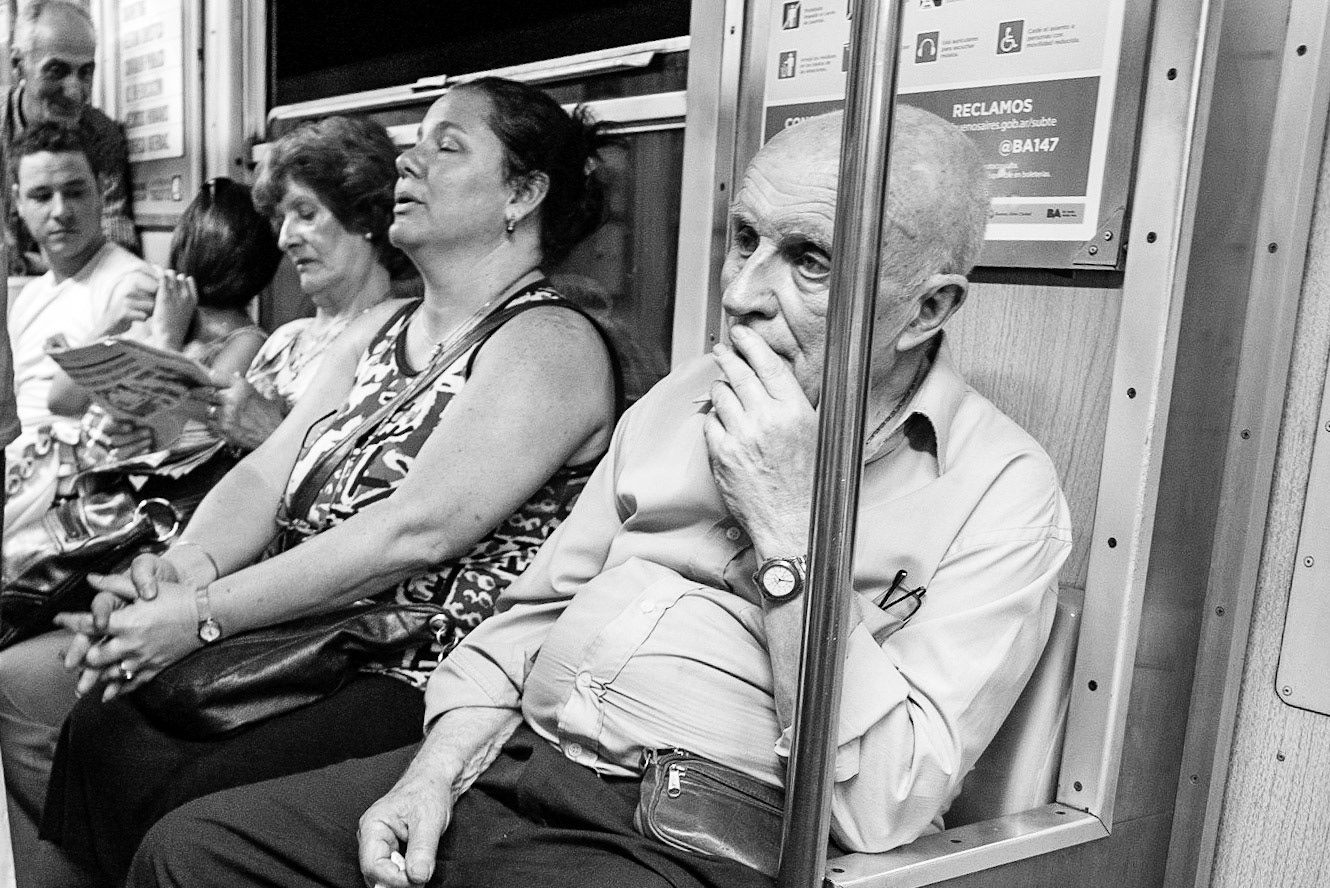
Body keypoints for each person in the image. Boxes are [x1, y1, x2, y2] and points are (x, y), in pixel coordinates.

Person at [122, 106, 1073, 888]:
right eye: (743, 239)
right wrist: (433, 776)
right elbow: (524, 618)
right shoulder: (677, 401)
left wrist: (790, 530)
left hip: (686, 828)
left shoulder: (1000, 492)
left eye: (808, 260)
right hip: (519, 765)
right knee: (194, 850)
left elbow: (885, 804)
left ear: (928, 308)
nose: (742, 292)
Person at [39, 77, 620, 886]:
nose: (409, 159)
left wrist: (200, 618)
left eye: (445, 146)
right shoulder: (384, 331)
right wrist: (178, 574)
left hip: (417, 664)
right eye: (415, 140)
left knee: (190, 798)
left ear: (522, 194)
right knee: (101, 733)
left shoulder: (549, 341)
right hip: (313, 629)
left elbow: (409, 535)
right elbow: (269, 474)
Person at [0, 174, 279, 888]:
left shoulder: (246, 346)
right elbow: (59, 397)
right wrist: (150, 330)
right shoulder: (167, 322)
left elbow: (184, 438)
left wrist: (164, 345)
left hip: (138, 523)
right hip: (93, 502)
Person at [202, 115, 412, 452]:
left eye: (306, 213)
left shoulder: (398, 344)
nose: (285, 239)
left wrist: (272, 433)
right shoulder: (282, 343)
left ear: (364, 215)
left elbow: (367, 484)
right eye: (282, 219)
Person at [5, 120, 153, 449]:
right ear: (18, 202)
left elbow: (135, 417)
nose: (60, 211)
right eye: (42, 196)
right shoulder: (29, 298)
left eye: (75, 192)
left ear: (101, 189)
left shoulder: (130, 288)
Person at [4, 0, 138, 275]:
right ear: (18, 65)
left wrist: (27, 263)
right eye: (57, 70)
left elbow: (118, 248)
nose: (75, 91)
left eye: (85, 72)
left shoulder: (101, 135)